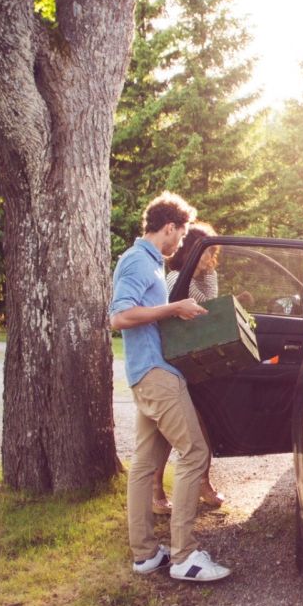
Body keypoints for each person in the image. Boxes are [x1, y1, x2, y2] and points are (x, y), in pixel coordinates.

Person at [109, 192, 231, 583]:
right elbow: (120, 316)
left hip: (148, 372)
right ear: (169, 228)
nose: (181, 243)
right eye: (180, 235)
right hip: (156, 376)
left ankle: (146, 555)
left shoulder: (151, 263)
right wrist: (174, 308)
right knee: (195, 451)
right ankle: (185, 557)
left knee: (144, 467)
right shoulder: (136, 262)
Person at [150, 222, 225, 513]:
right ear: (192, 251)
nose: (211, 259)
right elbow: (202, 313)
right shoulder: (176, 280)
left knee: (199, 424)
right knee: (170, 431)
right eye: (206, 253)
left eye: (212, 252)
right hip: (174, 362)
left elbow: (212, 305)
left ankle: (203, 482)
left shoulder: (203, 277)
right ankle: (157, 487)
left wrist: (207, 270)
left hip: (196, 362)